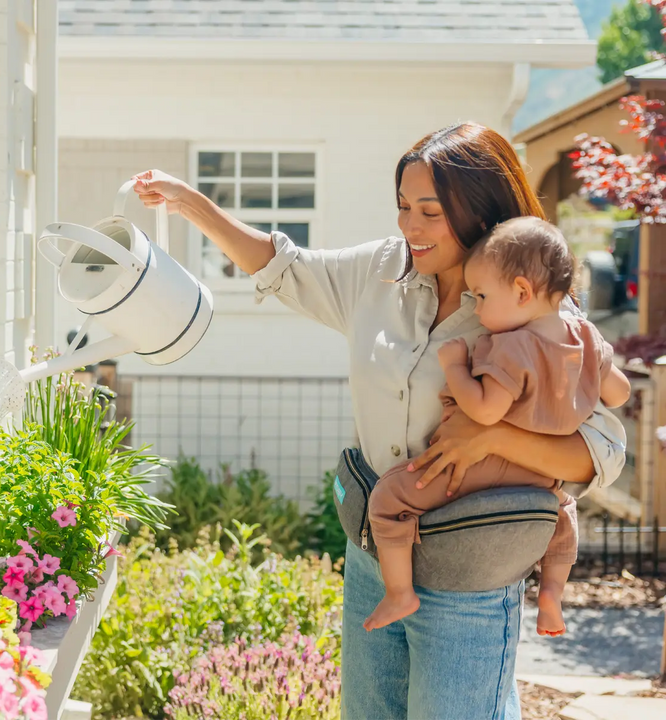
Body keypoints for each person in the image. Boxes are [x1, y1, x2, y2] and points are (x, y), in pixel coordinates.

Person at [132, 121, 625, 719]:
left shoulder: (531, 306)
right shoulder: (380, 272)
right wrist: (191, 204)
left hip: (470, 567)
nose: (409, 227)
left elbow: (599, 448)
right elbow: (283, 266)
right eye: (401, 207)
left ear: (482, 211)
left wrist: (494, 436)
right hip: (376, 555)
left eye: (430, 211)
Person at [364, 217, 631, 636]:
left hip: (486, 463)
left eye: (483, 296)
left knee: (387, 497)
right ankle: (550, 596)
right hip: (542, 473)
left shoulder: (512, 346)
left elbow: (486, 411)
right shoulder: (585, 335)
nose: (477, 308)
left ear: (522, 292)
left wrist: (455, 367)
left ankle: (400, 592)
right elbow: (618, 393)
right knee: (561, 513)